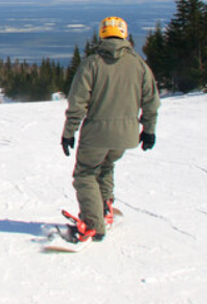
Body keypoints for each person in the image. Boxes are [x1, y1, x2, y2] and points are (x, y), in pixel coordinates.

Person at [60, 16, 160, 244]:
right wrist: (149, 130)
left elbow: (77, 104)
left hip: (96, 133)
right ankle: (104, 209)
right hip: (126, 136)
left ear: (102, 35)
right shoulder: (139, 65)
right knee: (105, 167)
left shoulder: (92, 64)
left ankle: (93, 226)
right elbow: (151, 102)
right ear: (124, 34)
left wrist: (69, 132)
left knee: (85, 174)